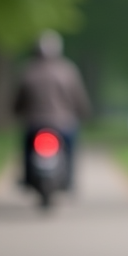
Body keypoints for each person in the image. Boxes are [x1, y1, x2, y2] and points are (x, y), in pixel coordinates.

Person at [13, 30, 91, 190]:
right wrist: (84, 111)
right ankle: (69, 179)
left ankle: (27, 177)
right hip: (63, 122)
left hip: (34, 122)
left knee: (27, 148)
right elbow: (78, 96)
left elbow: (19, 99)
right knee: (70, 148)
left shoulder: (28, 70)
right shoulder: (68, 70)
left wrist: (15, 111)